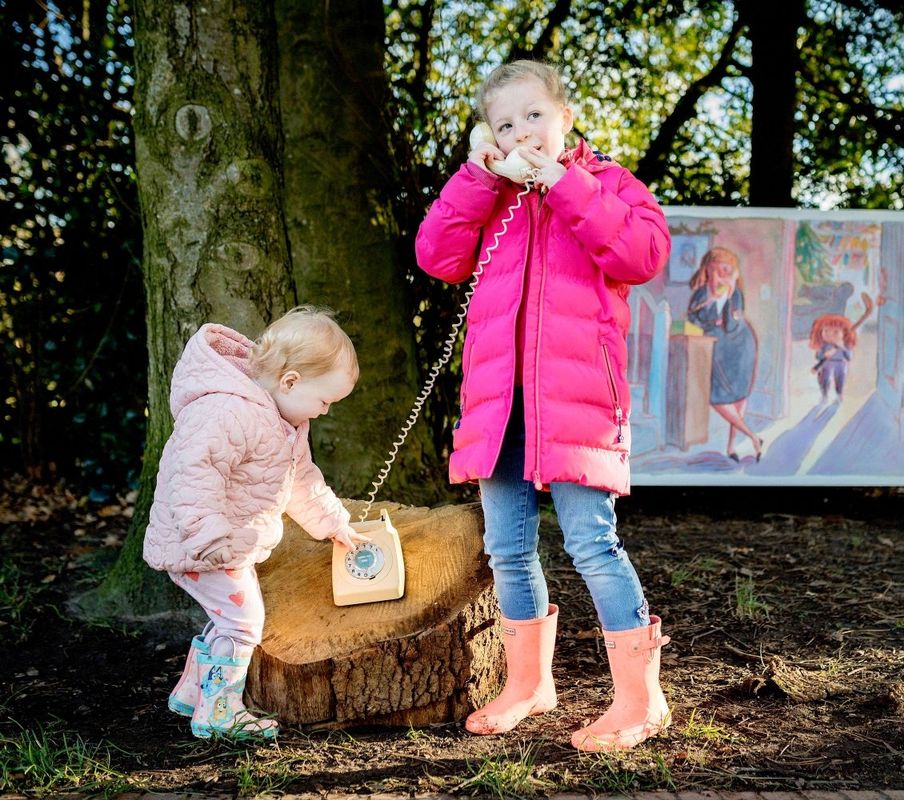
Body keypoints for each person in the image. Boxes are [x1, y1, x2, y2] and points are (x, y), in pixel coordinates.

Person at [415, 59, 671, 751]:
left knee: (592, 541)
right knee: (508, 547)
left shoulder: (608, 184)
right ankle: (529, 684)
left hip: (579, 404)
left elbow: (643, 253)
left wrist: (563, 183)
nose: (522, 131)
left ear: (564, 117)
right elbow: (437, 255)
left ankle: (640, 701)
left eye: (534, 116)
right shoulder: (491, 197)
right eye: (505, 123)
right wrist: (478, 177)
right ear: (487, 137)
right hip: (501, 405)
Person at [143, 306, 369, 740]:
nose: (324, 412)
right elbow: (193, 472)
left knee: (227, 619)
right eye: (324, 401)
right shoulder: (226, 411)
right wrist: (207, 534)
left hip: (225, 543)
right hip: (203, 544)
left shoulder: (286, 422)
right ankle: (220, 712)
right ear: (290, 381)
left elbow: (302, 481)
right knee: (244, 622)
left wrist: (334, 523)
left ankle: (193, 694)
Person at [686, 247, 763, 462]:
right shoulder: (701, 294)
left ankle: (731, 447)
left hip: (741, 347)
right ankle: (753, 436)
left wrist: (727, 298)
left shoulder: (735, 294)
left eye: (727, 269)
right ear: (707, 270)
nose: (722, 273)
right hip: (716, 349)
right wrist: (711, 303)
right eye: (717, 269)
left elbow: (731, 326)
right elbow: (693, 320)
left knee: (739, 396)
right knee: (716, 397)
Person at [808, 292, 875, 406]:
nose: (830, 335)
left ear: (843, 333)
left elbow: (849, 357)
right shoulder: (824, 345)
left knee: (840, 380)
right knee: (824, 380)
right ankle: (824, 395)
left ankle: (839, 395)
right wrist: (824, 355)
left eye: (835, 332)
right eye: (826, 331)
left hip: (840, 364)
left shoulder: (844, 344)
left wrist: (842, 347)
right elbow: (818, 356)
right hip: (825, 365)